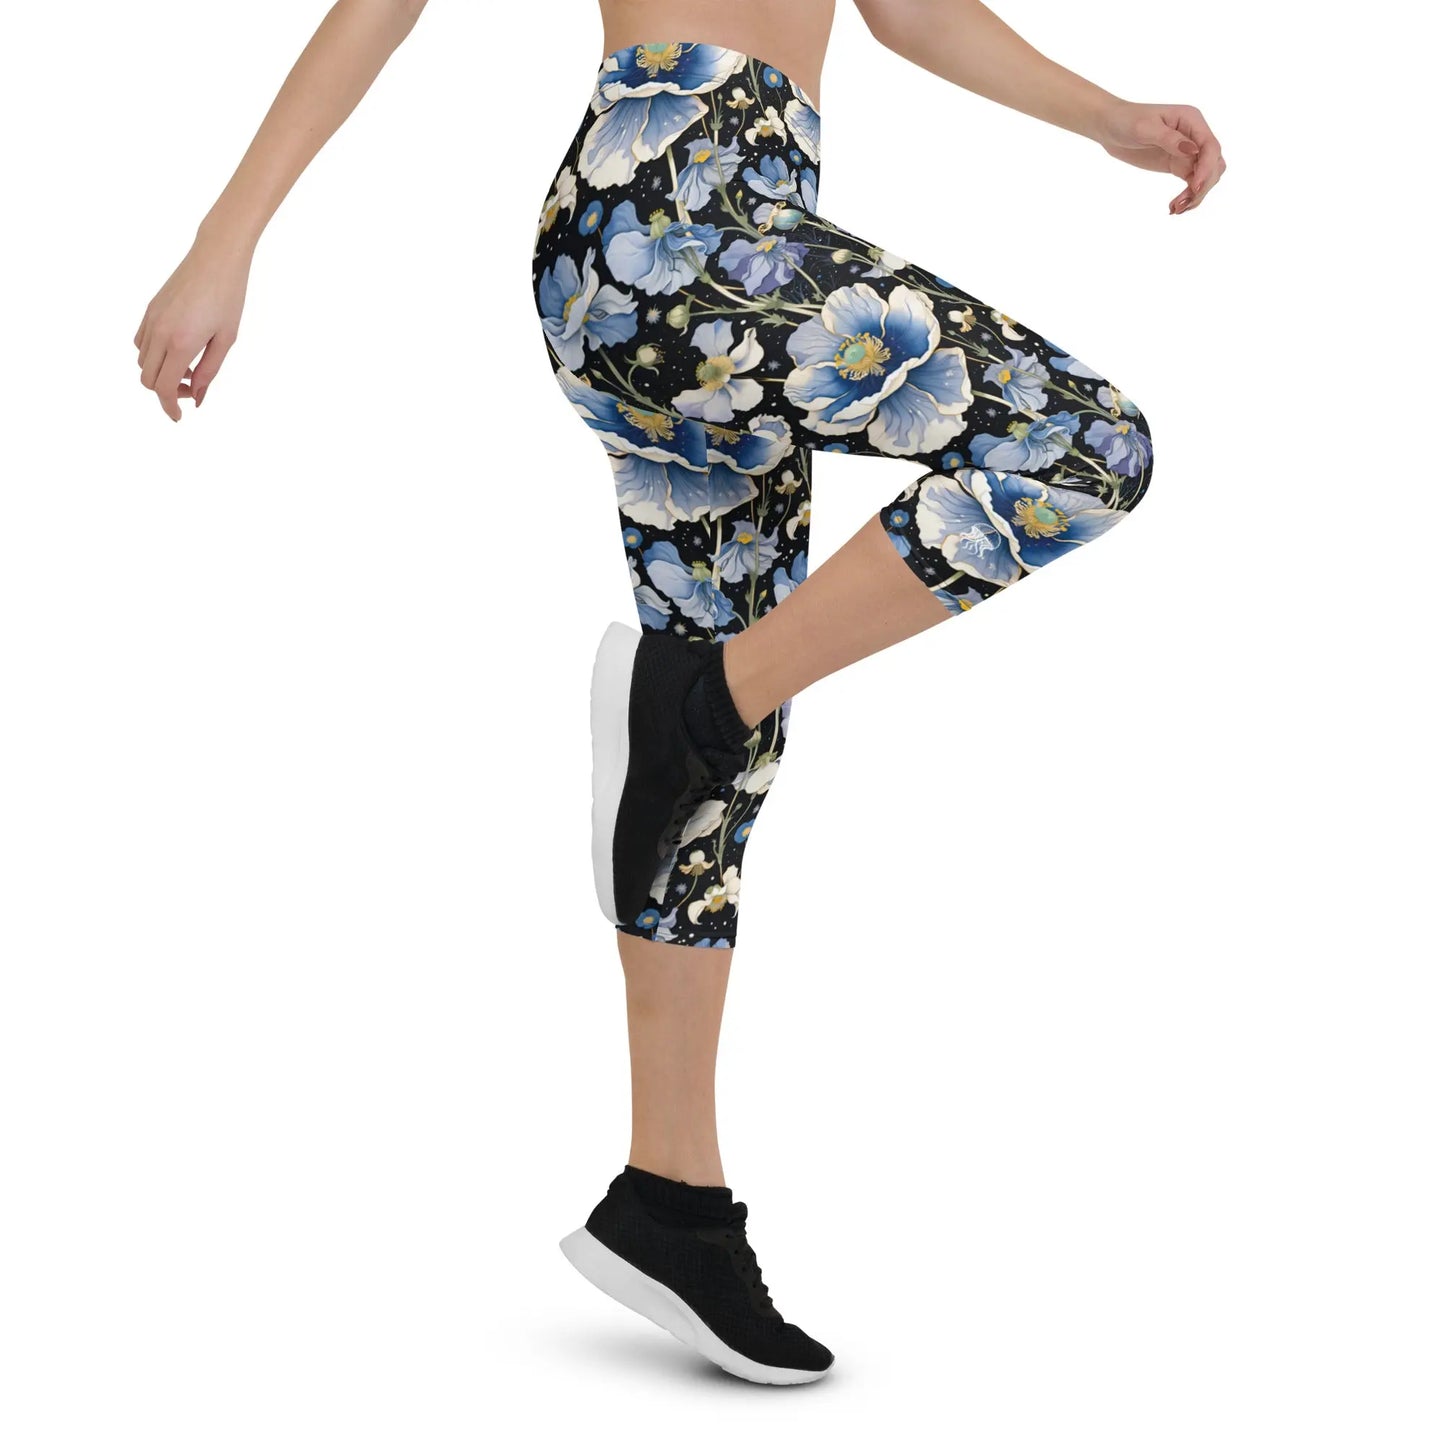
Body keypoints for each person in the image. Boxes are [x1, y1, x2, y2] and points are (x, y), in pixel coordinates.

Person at [133, 0, 1223, 1389]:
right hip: (676, 223)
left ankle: (671, 1201)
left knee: (718, 772)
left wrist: (1110, 118)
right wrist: (224, 241)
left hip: (719, 238)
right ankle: (694, 701)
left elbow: (912, 11)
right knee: (1081, 445)